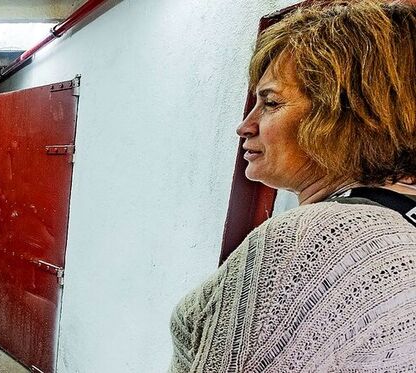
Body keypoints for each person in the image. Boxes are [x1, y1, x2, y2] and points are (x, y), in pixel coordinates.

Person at [170, 1, 416, 371]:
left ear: (346, 114)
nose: (245, 126)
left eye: (270, 102)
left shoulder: (316, 239)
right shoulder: (401, 225)